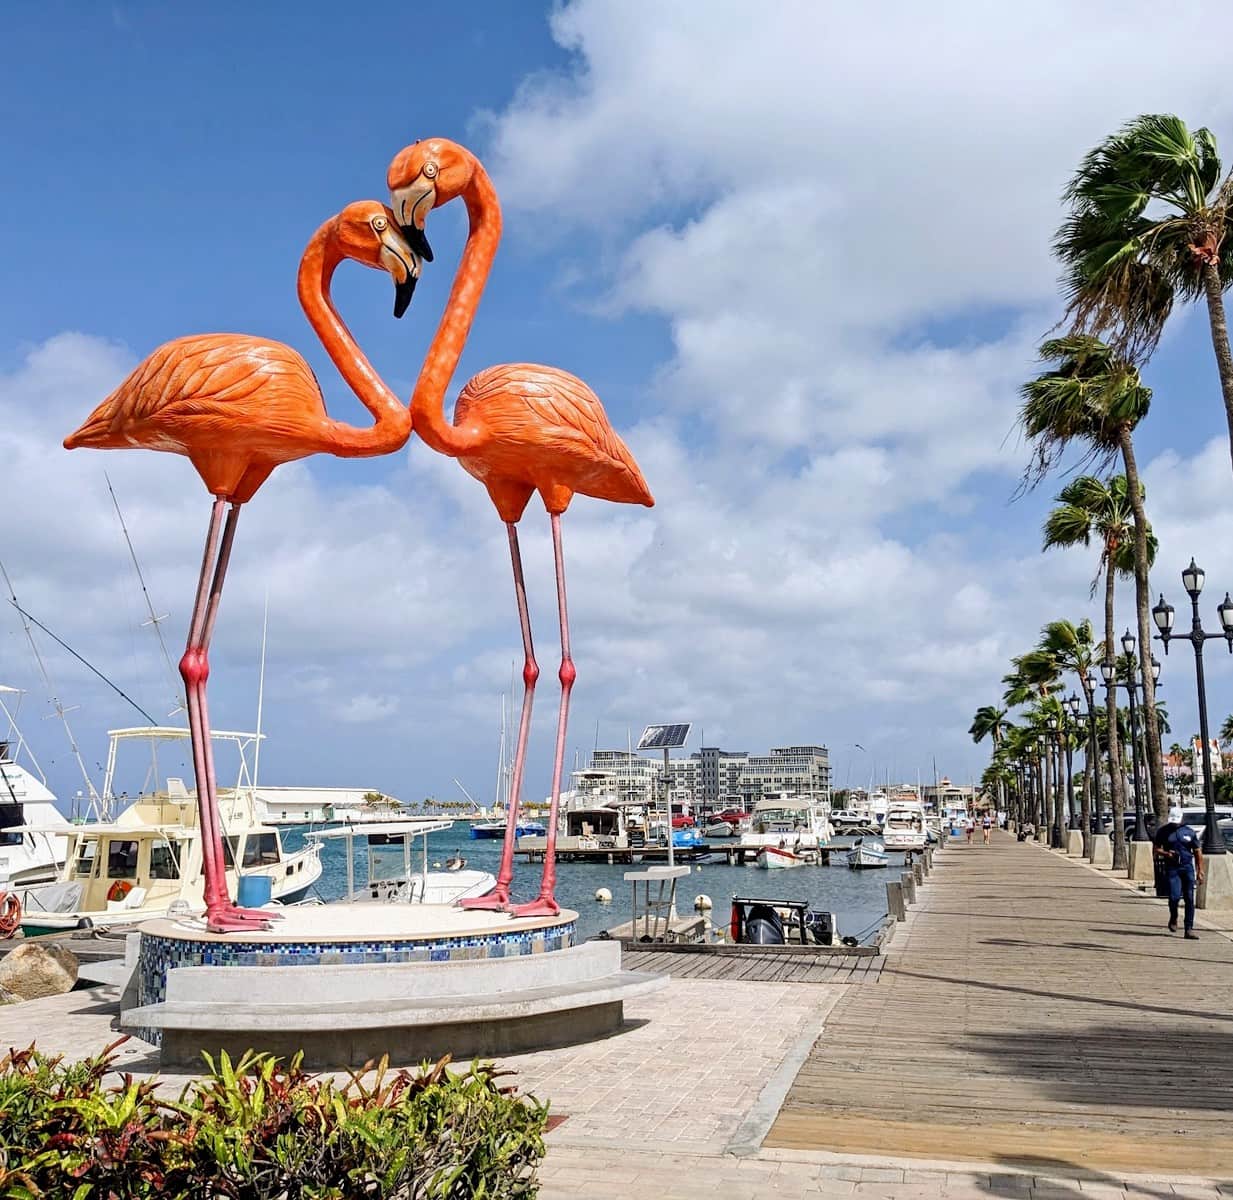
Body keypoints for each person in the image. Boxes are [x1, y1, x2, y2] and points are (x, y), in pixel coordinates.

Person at [1153, 805, 1204, 939]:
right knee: (1174, 897)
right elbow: (1156, 849)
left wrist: (1200, 870)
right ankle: (1174, 916)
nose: (1174, 823)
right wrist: (1166, 853)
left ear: (1181, 819)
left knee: (1189, 898)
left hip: (1187, 867)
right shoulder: (1163, 831)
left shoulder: (1189, 832)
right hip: (1172, 868)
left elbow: (1197, 851)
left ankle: (1189, 928)